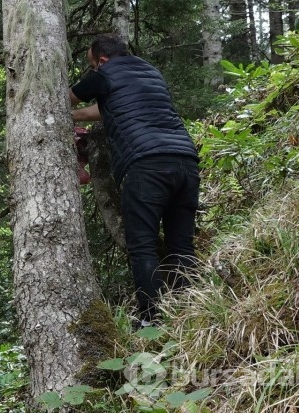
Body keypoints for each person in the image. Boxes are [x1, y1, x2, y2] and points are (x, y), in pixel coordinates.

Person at [69, 34, 200, 326]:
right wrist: (75, 117)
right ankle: (192, 318)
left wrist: (65, 111)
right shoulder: (150, 72)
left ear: (101, 60)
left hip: (146, 165)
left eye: (93, 64)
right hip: (185, 161)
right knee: (182, 246)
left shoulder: (104, 74)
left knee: (143, 246)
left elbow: (65, 99)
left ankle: (151, 321)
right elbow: (106, 109)